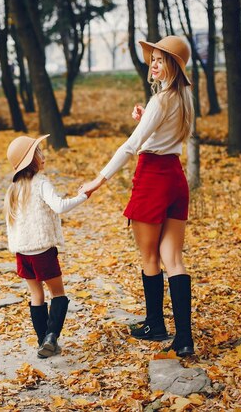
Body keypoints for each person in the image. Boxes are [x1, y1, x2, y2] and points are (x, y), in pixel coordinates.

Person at [79, 36, 195, 357]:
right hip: (176, 178)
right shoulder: (184, 96)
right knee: (174, 258)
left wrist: (98, 180)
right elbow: (166, 129)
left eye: (160, 59)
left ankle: (155, 325)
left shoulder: (161, 101)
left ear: (173, 64)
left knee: (150, 259)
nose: (153, 64)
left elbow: (131, 146)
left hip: (153, 178)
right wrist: (147, 117)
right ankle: (184, 338)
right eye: (153, 59)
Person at [4, 134, 89, 358]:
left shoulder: (13, 189)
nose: (44, 155)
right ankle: (51, 336)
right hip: (42, 251)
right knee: (58, 294)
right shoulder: (41, 183)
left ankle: (43, 342)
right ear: (32, 160)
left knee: (36, 296)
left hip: (23, 253)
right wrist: (83, 195)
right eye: (39, 152)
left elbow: (10, 224)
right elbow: (59, 206)